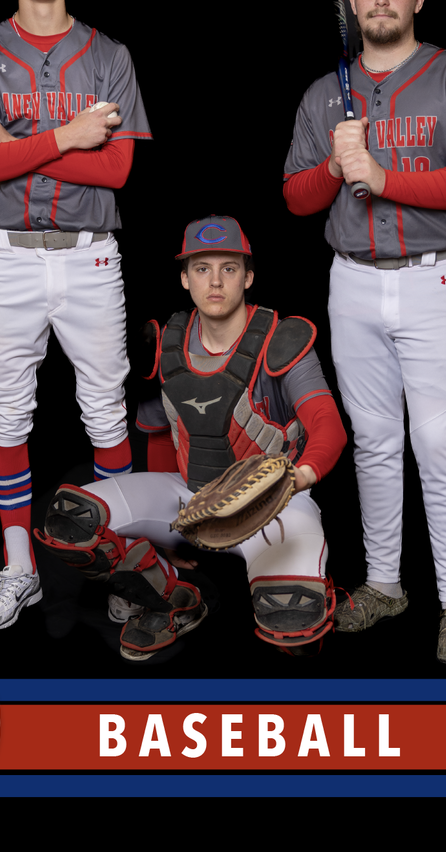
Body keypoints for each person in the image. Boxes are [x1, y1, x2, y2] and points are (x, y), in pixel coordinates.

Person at [283, 0, 446, 665]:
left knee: (440, 443)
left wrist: (378, 174)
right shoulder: (324, 93)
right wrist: (333, 164)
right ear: (350, 1)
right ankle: (383, 585)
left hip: (433, 279)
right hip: (350, 278)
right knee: (374, 443)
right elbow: (295, 200)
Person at [0, 0, 152, 631]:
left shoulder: (107, 55)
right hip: (8, 259)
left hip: (91, 256)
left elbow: (119, 170)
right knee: (7, 417)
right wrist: (68, 134)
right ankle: (19, 571)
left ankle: (129, 569)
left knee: (104, 414)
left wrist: (17, 141)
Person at [34, 215, 347, 661]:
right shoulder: (167, 344)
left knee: (293, 621)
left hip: (274, 505)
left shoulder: (282, 339)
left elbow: (328, 425)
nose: (215, 281)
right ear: (184, 278)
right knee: (71, 519)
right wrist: (168, 530)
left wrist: (296, 479)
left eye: (229, 268)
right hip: (190, 499)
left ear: (248, 276)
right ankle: (176, 601)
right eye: (202, 268)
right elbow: (159, 437)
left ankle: (303, 586)